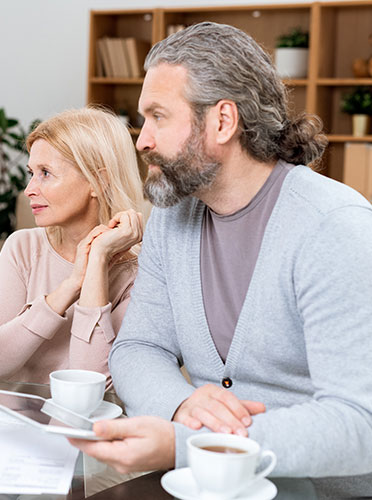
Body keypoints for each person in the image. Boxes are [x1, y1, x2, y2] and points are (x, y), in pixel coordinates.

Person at [70, 22, 372, 494]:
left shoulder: (334, 226)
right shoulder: (174, 216)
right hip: (207, 485)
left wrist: (189, 441)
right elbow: (138, 348)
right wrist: (179, 405)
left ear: (223, 121)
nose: (141, 139)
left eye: (158, 117)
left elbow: (360, 424)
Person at [0, 107, 144, 385]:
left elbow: (89, 384)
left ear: (98, 181)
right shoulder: (23, 248)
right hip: (12, 421)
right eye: (31, 172)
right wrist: (70, 287)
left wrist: (97, 262)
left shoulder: (138, 274)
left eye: (46, 173)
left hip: (87, 426)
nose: (29, 189)